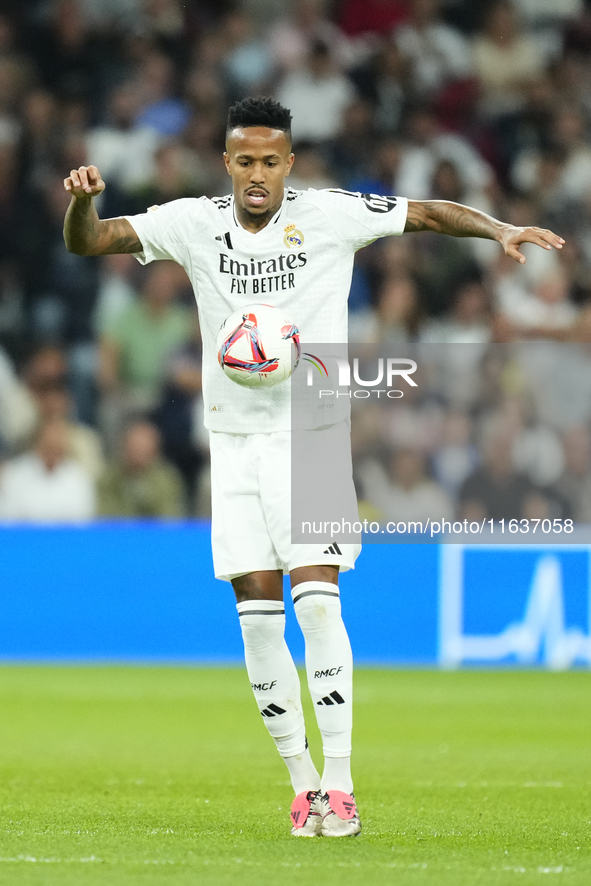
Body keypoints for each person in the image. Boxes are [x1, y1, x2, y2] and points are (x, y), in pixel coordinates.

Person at [62, 96, 564, 838]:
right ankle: (302, 788)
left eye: (271, 160)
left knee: (319, 606)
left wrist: (495, 228)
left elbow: (424, 213)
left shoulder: (329, 214)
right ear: (226, 163)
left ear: (288, 164)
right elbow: (90, 242)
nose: (257, 173)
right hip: (231, 443)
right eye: (244, 160)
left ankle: (341, 782)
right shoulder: (194, 223)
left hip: (313, 431)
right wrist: (83, 203)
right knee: (260, 627)